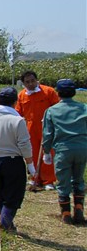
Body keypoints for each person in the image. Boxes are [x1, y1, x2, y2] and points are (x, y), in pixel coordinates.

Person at [0, 87, 34, 233]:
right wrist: (30, 165)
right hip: (13, 162)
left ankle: (8, 224)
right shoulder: (17, 121)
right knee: (14, 195)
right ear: (15, 102)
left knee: (0, 194)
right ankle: (5, 222)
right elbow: (25, 145)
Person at [42, 79, 87, 225]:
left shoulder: (52, 110)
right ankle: (79, 209)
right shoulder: (84, 108)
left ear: (58, 93)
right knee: (78, 179)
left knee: (63, 181)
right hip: (82, 148)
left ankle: (66, 213)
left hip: (63, 149)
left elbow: (48, 134)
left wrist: (46, 152)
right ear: (73, 92)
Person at [15, 70, 59, 190]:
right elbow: (18, 113)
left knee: (48, 153)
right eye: (27, 82)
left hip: (47, 128)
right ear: (23, 83)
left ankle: (48, 180)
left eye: (32, 81)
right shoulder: (22, 95)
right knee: (32, 153)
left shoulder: (48, 92)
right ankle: (35, 178)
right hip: (29, 128)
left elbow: (57, 108)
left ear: (37, 80)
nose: (30, 84)